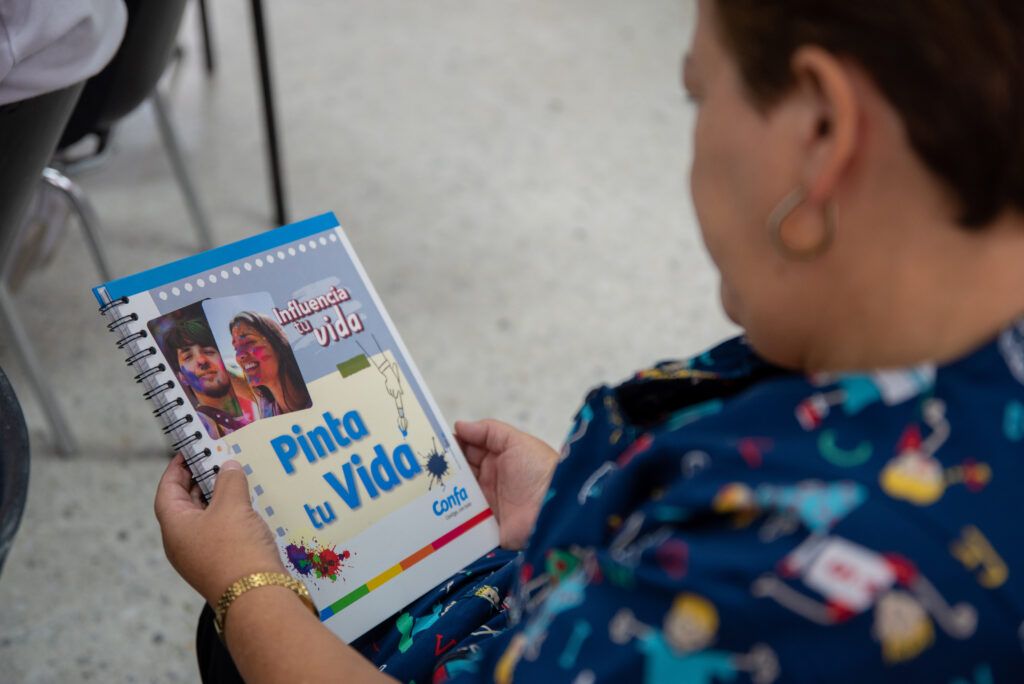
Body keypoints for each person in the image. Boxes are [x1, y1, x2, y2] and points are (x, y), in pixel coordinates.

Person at [155, 1, 1024, 681]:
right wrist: (583, 501)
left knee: (239, 634)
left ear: (821, 133)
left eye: (700, 93)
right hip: (557, 583)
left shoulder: (786, 579)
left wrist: (250, 591)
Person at [164, 316, 256, 439]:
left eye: (208, 351)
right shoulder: (199, 429)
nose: (202, 360)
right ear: (182, 377)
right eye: (188, 357)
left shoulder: (259, 405)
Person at [228, 311, 312, 417]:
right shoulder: (266, 405)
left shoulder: (316, 390)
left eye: (249, 342)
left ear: (278, 344)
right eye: (236, 348)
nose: (239, 355)